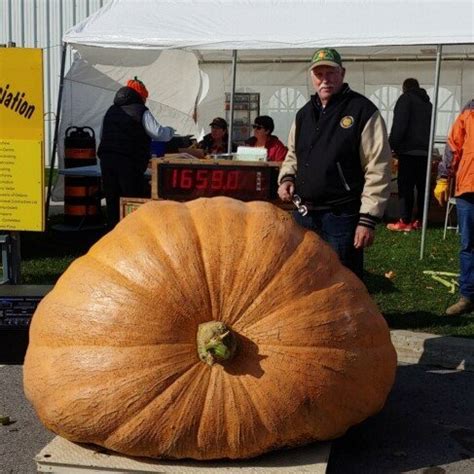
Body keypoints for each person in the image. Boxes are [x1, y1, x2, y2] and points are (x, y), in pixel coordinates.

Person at [277, 48, 391, 279]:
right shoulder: (304, 114)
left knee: (342, 280)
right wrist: (287, 177)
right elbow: (293, 154)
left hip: (341, 217)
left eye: (331, 73)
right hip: (304, 214)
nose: (325, 80)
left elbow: (377, 167)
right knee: (304, 276)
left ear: (343, 73)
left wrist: (367, 219)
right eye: (319, 74)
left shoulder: (363, 111)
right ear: (312, 77)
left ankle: (351, 317)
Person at [97, 77, 174, 228]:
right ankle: (133, 233)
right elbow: (158, 133)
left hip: (107, 160)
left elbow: (102, 135)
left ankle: (113, 234)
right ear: (141, 96)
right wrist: (170, 131)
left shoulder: (111, 110)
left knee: (112, 199)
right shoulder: (140, 110)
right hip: (128, 161)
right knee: (131, 199)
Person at [434, 99, 474, 316]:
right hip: (468, 188)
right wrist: (442, 176)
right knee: (468, 245)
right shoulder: (469, 111)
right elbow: (453, 146)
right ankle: (468, 296)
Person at [387, 78, 433, 232]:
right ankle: (420, 220)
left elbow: (399, 124)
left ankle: (405, 220)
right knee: (422, 188)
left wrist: (391, 145)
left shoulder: (405, 99)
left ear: (404, 88)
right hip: (425, 152)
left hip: (408, 150)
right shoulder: (428, 103)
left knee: (406, 188)